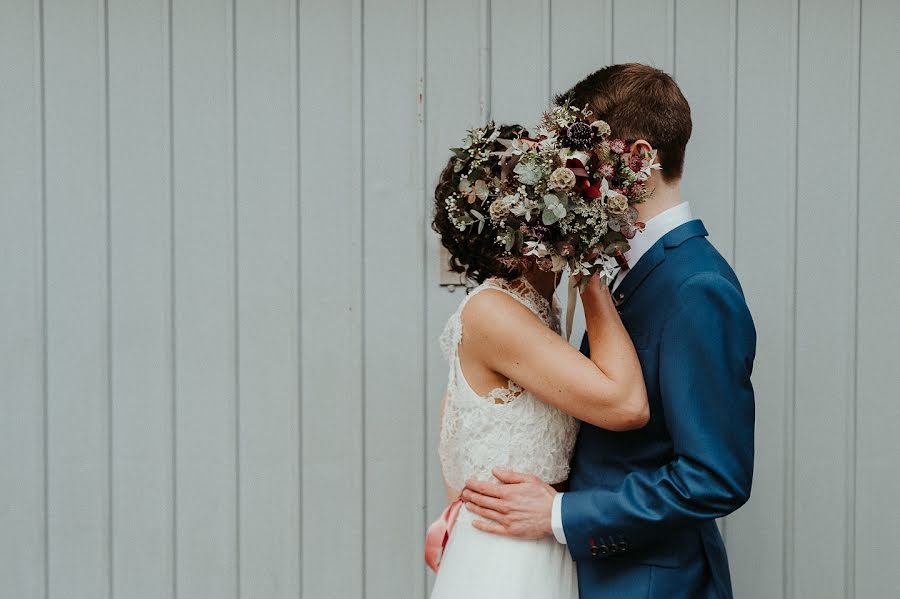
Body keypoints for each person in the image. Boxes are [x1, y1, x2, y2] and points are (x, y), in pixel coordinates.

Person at [461, 64, 757, 598]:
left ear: (640, 159)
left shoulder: (696, 287)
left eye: (583, 155)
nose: (570, 173)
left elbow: (716, 478)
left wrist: (560, 514)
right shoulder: (615, 268)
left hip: (651, 584)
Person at [428, 123, 650, 599]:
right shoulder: (493, 312)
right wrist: (592, 275)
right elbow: (627, 404)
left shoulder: (534, 310)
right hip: (509, 561)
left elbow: (454, 439)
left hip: (537, 543)